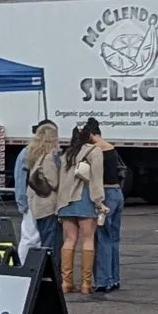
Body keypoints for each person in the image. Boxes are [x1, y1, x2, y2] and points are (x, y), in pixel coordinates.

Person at [55, 118, 104, 294]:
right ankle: (86, 283)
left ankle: (66, 282)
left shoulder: (66, 154)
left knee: (69, 240)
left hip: (64, 202)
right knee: (88, 240)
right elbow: (96, 180)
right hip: (85, 199)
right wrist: (99, 202)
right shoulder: (94, 151)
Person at [13, 119, 63, 272]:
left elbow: (20, 178)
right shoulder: (53, 155)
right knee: (47, 238)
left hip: (30, 199)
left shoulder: (27, 152)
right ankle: (46, 270)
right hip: (47, 202)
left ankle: (22, 267)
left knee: (28, 238)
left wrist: (21, 201)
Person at [94, 134, 126, 294]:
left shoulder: (97, 150)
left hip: (105, 194)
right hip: (117, 193)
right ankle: (114, 279)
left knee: (102, 237)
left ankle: (102, 280)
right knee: (114, 237)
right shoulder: (111, 149)